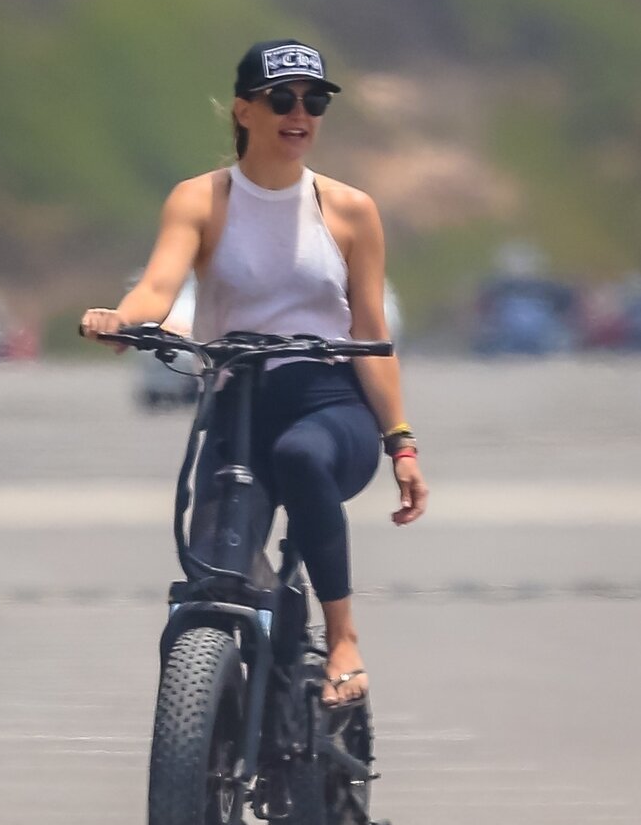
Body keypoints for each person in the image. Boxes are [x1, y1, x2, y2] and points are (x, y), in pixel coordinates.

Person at [81, 39, 428, 705]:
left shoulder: (350, 210)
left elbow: (372, 337)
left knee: (300, 456)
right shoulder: (200, 200)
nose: (300, 113)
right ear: (243, 110)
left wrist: (402, 444)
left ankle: (344, 639)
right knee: (213, 572)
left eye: (314, 100)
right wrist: (120, 320)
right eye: (282, 99)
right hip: (236, 406)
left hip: (329, 405)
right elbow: (157, 288)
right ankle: (220, 710)